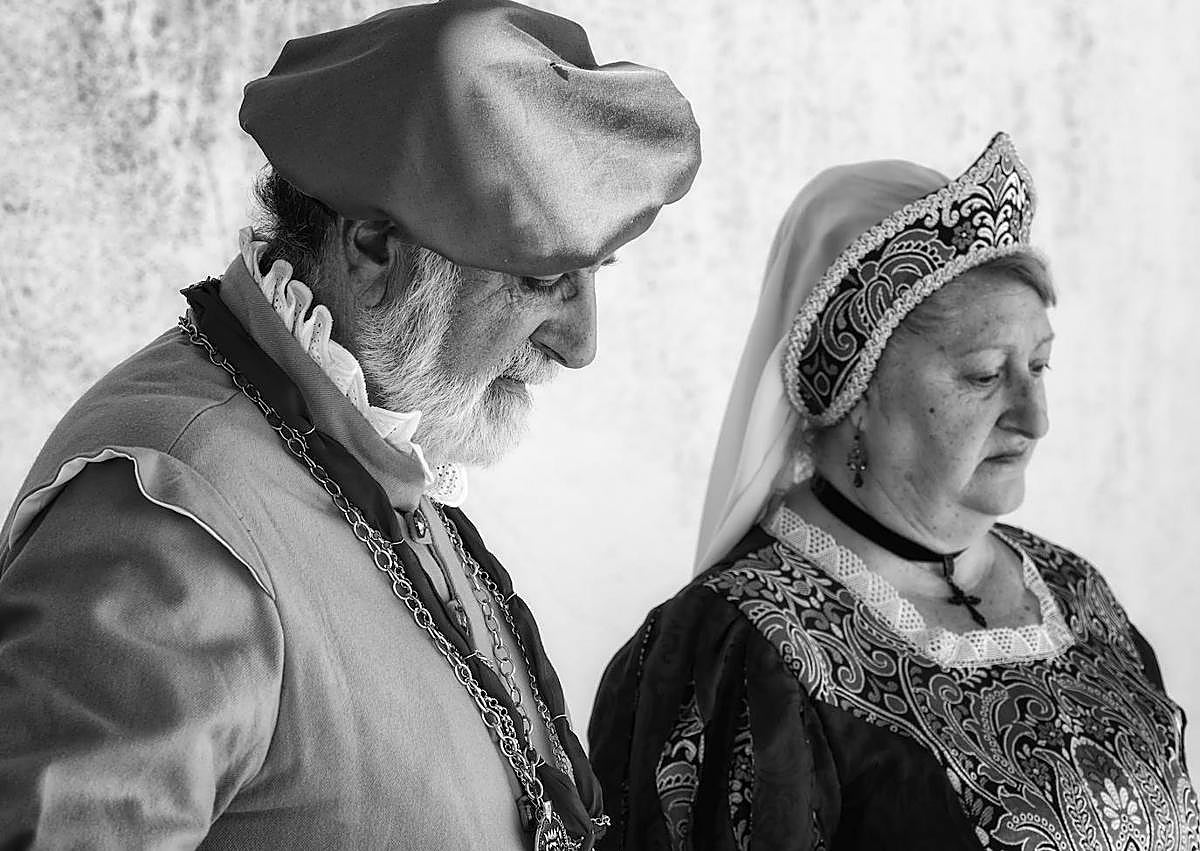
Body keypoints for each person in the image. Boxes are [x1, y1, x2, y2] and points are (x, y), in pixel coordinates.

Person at [0, 2, 700, 848]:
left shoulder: (368, 442)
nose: (581, 342)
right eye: (543, 278)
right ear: (373, 245)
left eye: (596, 275)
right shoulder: (169, 522)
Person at [588, 133, 1198, 850]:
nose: (1036, 419)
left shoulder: (1075, 595)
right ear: (856, 391)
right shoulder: (738, 652)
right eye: (981, 375)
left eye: (1039, 366)